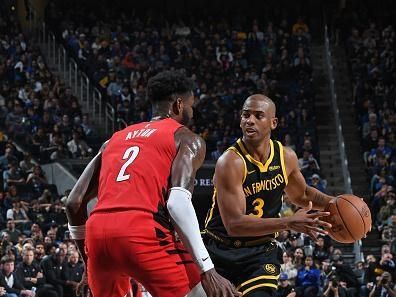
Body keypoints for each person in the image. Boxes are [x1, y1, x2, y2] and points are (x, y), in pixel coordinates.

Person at [65, 71, 239, 297]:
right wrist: (207, 269)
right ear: (178, 105)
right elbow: (177, 203)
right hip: (142, 232)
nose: (192, 112)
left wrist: (89, 263)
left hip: (98, 236)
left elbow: (73, 202)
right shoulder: (186, 139)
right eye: (190, 106)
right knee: (203, 292)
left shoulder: (113, 141)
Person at [203, 94, 361, 297]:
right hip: (221, 248)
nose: (249, 120)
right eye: (245, 115)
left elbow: (302, 194)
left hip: (260, 252)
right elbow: (235, 225)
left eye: (258, 116)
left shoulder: (286, 156)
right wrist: (288, 222)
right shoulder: (230, 162)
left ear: (273, 122)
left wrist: (334, 203)